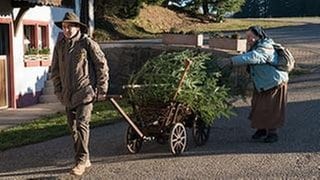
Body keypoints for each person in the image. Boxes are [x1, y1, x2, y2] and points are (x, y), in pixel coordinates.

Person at [51, 12, 109, 176]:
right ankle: (85, 157)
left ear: (77, 27)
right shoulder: (60, 45)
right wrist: (58, 90)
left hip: (85, 92)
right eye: (64, 27)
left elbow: (101, 66)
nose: (66, 29)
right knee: (73, 129)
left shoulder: (87, 43)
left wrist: (102, 89)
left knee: (82, 125)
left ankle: (80, 161)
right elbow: (55, 70)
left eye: (70, 26)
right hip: (68, 95)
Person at [217, 26, 288, 143]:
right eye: (247, 37)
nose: (248, 39)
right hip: (262, 83)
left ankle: (272, 133)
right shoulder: (255, 47)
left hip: (275, 82)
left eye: (251, 37)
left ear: (259, 36)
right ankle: (261, 129)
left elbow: (253, 57)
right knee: (258, 106)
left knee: (272, 108)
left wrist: (231, 61)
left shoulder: (266, 47)